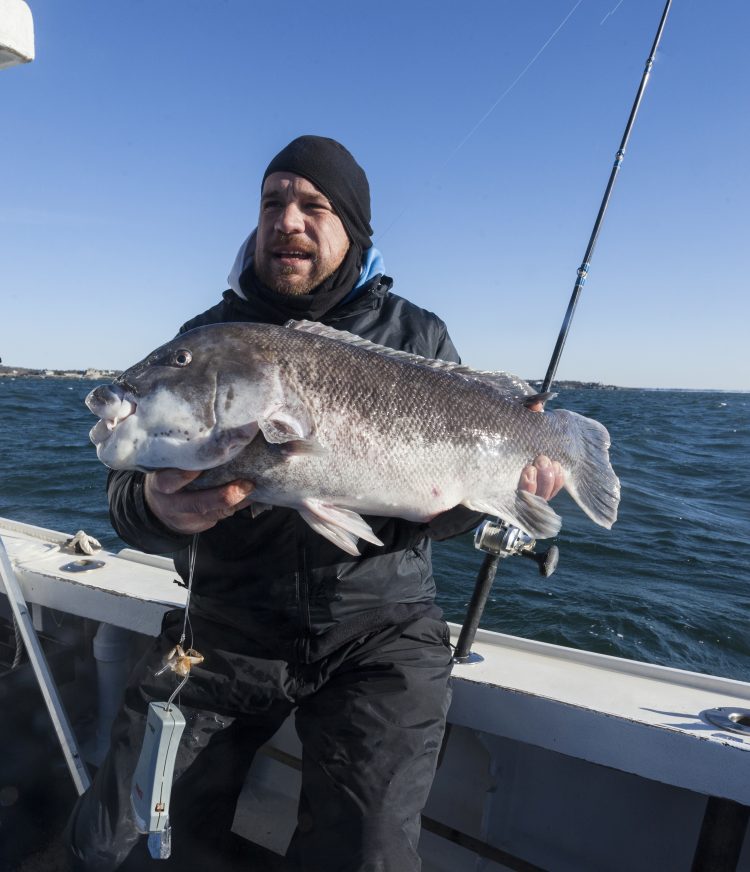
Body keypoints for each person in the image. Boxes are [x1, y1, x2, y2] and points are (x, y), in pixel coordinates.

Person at [67, 135, 563, 871]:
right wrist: (157, 509)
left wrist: (497, 493)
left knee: (367, 854)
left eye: (313, 205)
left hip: (379, 632)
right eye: (272, 203)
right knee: (119, 840)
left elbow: (447, 506)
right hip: (226, 622)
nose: (286, 221)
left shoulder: (418, 337)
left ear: (353, 230)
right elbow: (126, 493)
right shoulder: (205, 340)